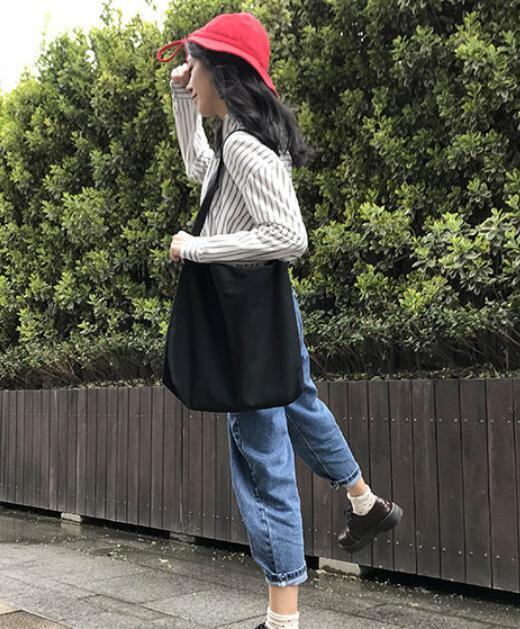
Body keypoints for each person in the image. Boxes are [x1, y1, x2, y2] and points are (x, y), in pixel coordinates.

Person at [159, 12, 402, 629]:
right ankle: (364, 502)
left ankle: (283, 620)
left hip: (246, 312)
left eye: (195, 67)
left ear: (223, 73)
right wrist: (179, 98)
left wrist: (197, 248)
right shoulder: (238, 138)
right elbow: (200, 169)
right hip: (262, 303)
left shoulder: (245, 146)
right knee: (298, 401)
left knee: (261, 457)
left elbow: (290, 236)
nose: (189, 77)